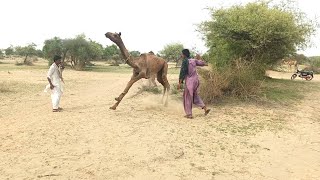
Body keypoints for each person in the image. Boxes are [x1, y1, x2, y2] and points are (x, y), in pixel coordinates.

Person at [178, 49, 210, 119]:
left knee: (187, 97)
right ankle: (205, 108)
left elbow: (182, 73)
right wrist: (200, 58)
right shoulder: (193, 60)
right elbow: (204, 64)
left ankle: (189, 114)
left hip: (190, 82)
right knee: (195, 96)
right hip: (196, 81)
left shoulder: (185, 61)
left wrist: (179, 83)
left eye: (182, 54)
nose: (181, 55)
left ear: (184, 55)